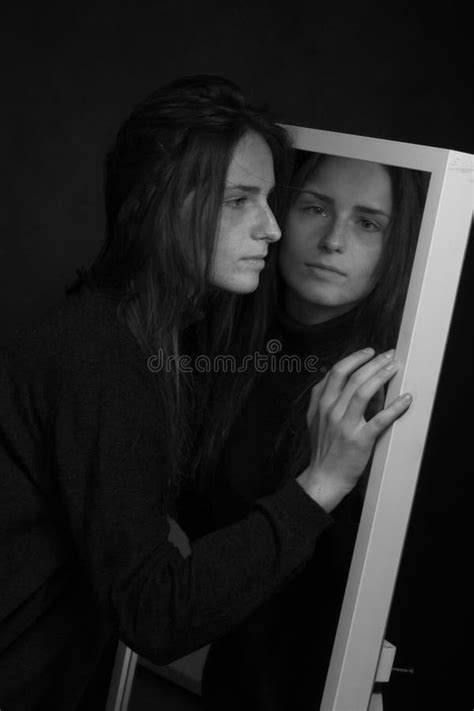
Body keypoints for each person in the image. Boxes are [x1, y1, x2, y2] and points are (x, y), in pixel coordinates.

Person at [0, 76, 411, 711]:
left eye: (272, 200)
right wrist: (322, 482)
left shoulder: (143, 333)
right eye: (240, 200)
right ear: (162, 204)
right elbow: (155, 615)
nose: (272, 230)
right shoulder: (97, 354)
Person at [199, 151, 427, 710]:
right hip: (236, 672)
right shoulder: (215, 341)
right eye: (315, 208)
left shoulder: (405, 378)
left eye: (368, 223)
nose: (332, 241)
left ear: (400, 248)